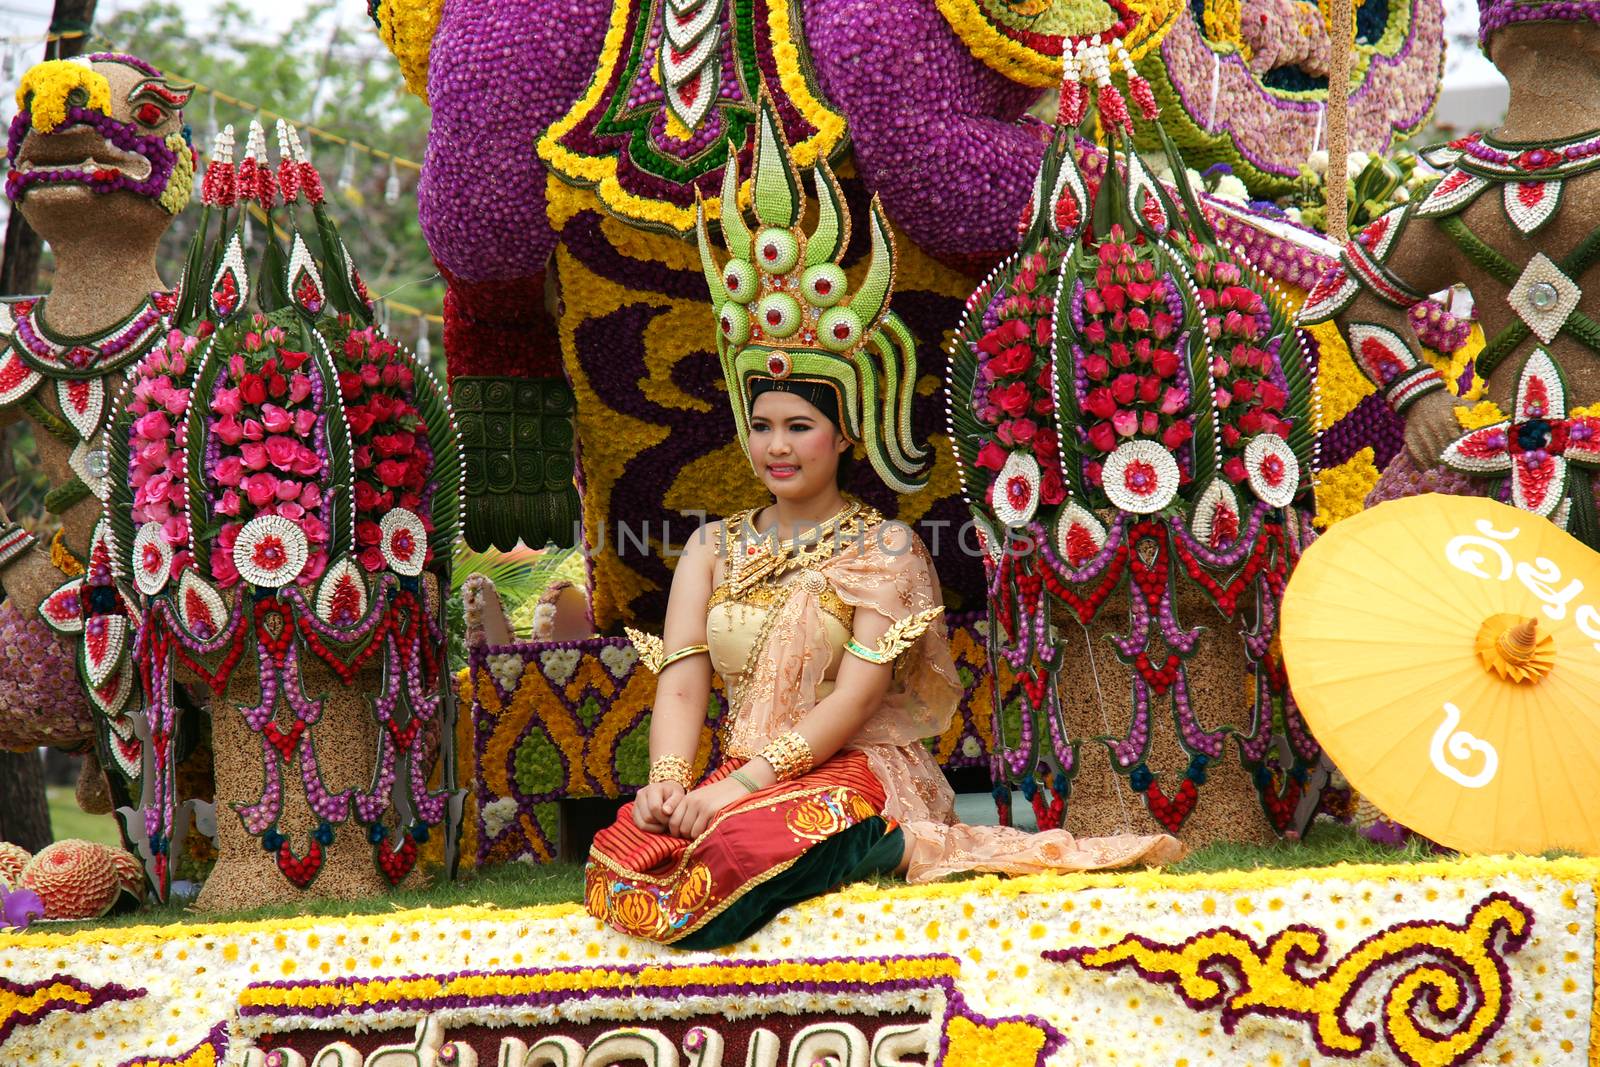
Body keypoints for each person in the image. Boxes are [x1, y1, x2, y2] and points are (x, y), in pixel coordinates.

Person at [580, 97, 1182, 949]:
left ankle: (888, 845)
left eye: (799, 426)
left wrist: (738, 787)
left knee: (738, 849)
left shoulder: (884, 549)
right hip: (735, 779)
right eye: (762, 425)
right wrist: (672, 785)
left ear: (845, 432)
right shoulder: (712, 546)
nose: (776, 446)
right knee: (624, 853)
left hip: (852, 776)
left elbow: (857, 697)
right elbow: (681, 683)